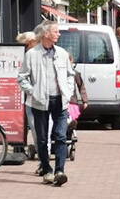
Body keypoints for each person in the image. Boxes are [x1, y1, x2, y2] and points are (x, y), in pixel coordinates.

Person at [18, 21, 77, 186]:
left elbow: (70, 74)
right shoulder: (31, 54)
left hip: (60, 101)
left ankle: (60, 171)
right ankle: (47, 170)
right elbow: (22, 78)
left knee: (60, 136)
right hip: (39, 101)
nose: (59, 34)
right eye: (56, 31)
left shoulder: (62, 53)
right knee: (42, 139)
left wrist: (68, 90)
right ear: (46, 34)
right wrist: (33, 91)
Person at [16, 31, 40, 165]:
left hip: (33, 98)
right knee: (34, 127)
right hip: (29, 97)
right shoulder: (27, 55)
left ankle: (43, 155)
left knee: (37, 128)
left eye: (24, 45)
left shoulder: (34, 55)